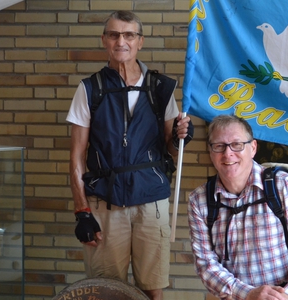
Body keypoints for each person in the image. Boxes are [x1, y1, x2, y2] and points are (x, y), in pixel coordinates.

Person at [66, 10, 193, 300]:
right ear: (104, 40)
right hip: (106, 203)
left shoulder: (160, 88)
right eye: (113, 34)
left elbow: (171, 151)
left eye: (129, 35)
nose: (121, 41)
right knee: (107, 290)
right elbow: (76, 157)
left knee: (152, 289)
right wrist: (82, 212)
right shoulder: (90, 89)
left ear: (140, 41)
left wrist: (180, 137)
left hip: (152, 202)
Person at [188, 115, 288, 300]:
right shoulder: (199, 200)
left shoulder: (282, 185)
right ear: (210, 151)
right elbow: (206, 264)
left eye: (237, 144)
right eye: (219, 146)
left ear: (253, 148)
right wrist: (249, 294)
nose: (228, 154)